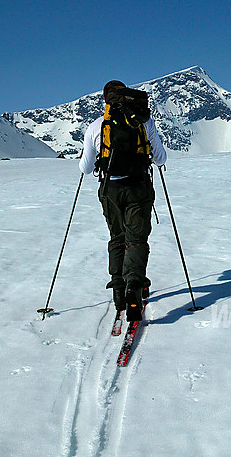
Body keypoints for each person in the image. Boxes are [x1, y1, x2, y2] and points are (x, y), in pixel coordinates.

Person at [79, 80, 167, 321]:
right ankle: (134, 287)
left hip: (111, 189)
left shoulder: (97, 126)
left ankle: (119, 290)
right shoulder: (143, 121)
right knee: (136, 238)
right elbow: (160, 157)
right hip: (139, 186)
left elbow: (85, 168)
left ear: (106, 100)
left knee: (117, 237)